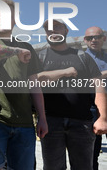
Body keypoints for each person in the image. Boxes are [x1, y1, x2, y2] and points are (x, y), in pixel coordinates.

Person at [0, 0, 48, 170]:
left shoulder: (27, 47)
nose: (3, 19)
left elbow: (35, 86)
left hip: (24, 122)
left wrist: (42, 118)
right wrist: (16, 52)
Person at [38, 20, 107, 170]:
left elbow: (99, 86)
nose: (53, 31)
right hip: (50, 122)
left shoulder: (83, 57)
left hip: (82, 123)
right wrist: (65, 72)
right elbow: (36, 81)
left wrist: (102, 118)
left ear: (66, 31)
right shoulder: (40, 57)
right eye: (48, 29)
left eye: (57, 27)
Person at [84, 26, 107, 170]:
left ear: (103, 38)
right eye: (90, 38)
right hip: (92, 106)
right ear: (85, 41)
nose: (94, 40)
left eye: (97, 37)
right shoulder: (80, 58)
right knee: (92, 151)